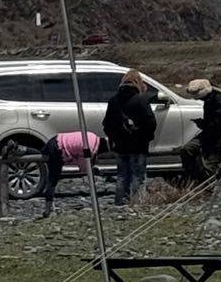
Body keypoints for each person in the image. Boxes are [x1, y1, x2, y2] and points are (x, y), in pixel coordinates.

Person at [103, 68, 157, 207]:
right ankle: (137, 203)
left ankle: (120, 202)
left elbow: (107, 124)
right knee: (138, 176)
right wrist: (146, 137)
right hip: (139, 145)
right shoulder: (141, 100)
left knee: (121, 176)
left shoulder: (113, 100)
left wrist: (114, 138)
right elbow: (151, 122)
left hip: (120, 145)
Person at [179, 78, 221, 188]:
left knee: (209, 165)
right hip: (210, 134)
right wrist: (204, 124)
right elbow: (214, 123)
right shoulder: (209, 100)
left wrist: (205, 126)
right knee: (187, 149)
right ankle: (192, 177)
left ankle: (206, 187)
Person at [39, 125, 101, 216]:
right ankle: (47, 209)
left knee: (41, 155)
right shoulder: (90, 149)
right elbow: (83, 168)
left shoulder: (92, 137)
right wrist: (92, 171)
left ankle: (21, 149)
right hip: (58, 149)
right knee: (52, 180)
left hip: (57, 139)